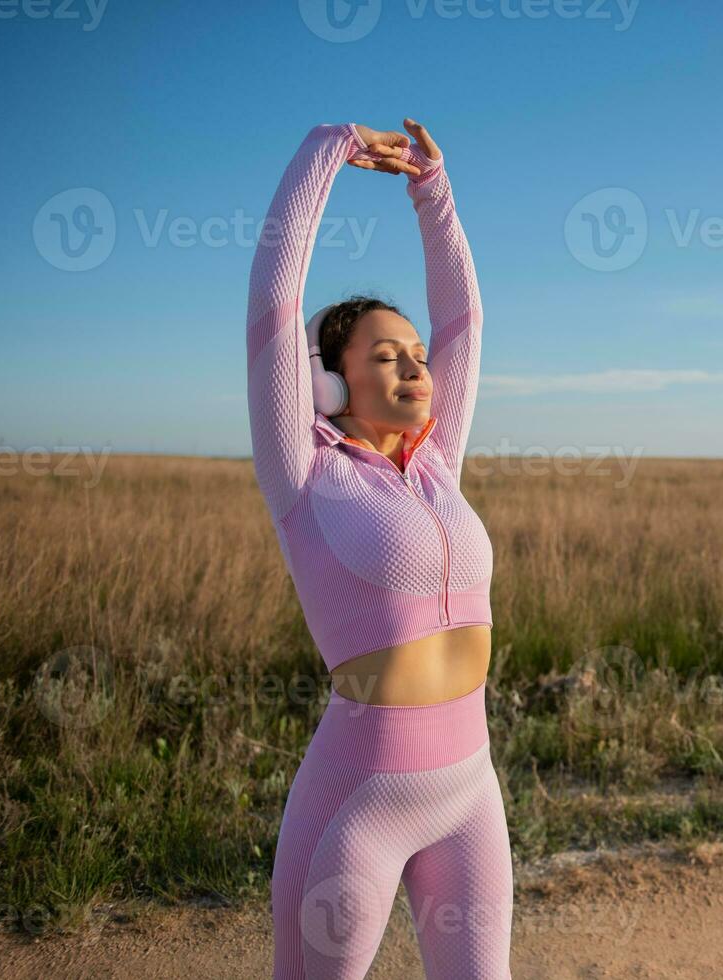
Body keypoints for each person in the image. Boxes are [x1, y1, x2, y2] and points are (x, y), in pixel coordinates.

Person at [245, 117, 511, 978]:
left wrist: (433, 194)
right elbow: (276, 306)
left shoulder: (436, 466)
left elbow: (464, 320)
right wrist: (325, 150)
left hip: (470, 789)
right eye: (384, 355)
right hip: (358, 804)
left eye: (414, 354)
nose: (414, 367)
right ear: (329, 381)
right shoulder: (306, 472)